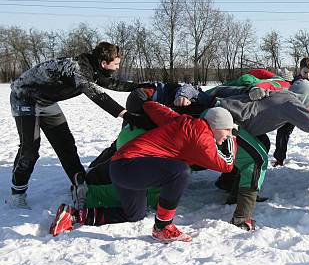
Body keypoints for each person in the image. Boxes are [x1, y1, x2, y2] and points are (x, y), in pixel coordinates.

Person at [175, 79, 309, 229]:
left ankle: (234, 192)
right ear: (304, 97)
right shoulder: (289, 102)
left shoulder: (280, 94)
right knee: (256, 159)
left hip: (228, 120)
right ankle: (242, 217)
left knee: (261, 144)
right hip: (223, 123)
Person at [49, 104, 237, 243]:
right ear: (217, 126)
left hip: (124, 166)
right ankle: (163, 227)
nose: (227, 137)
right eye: (228, 132)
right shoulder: (201, 137)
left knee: (134, 215)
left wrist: (147, 106)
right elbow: (226, 165)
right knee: (180, 172)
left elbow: (153, 107)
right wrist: (234, 140)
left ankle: (73, 215)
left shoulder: (183, 120)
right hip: (129, 166)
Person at [7, 42, 149, 209]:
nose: (117, 68)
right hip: (24, 96)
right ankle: (17, 194)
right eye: (116, 64)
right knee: (30, 148)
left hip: (47, 101)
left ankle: (79, 183)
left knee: (65, 143)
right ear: (104, 63)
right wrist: (127, 115)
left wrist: (138, 87)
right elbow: (97, 95)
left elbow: (111, 84)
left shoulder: (93, 69)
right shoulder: (78, 69)